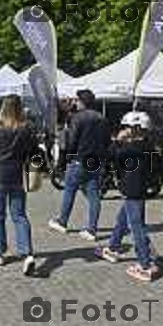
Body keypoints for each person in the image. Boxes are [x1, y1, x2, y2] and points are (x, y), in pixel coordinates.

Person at [0, 94, 39, 276]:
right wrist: (40, 170)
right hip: (18, 176)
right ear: (20, 108)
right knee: (19, 215)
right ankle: (27, 254)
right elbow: (35, 152)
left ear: (4, 107)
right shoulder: (26, 129)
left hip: (0, 176)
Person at [94, 111, 158, 282]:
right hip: (138, 189)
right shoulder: (147, 145)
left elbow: (110, 154)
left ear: (136, 129)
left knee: (137, 226)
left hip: (132, 190)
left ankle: (145, 264)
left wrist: (117, 140)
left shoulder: (132, 148)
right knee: (123, 219)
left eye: (128, 127)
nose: (126, 130)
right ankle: (113, 248)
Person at [48, 89, 111, 240]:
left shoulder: (78, 118)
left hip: (79, 160)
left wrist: (64, 160)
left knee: (69, 190)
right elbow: (107, 142)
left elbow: (72, 141)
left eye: (77, 100)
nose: (75, 102)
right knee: (94, 195)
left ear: (82, 101)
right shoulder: (102, 118)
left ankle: (62, 221)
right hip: (96, 161)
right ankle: (91, 230)